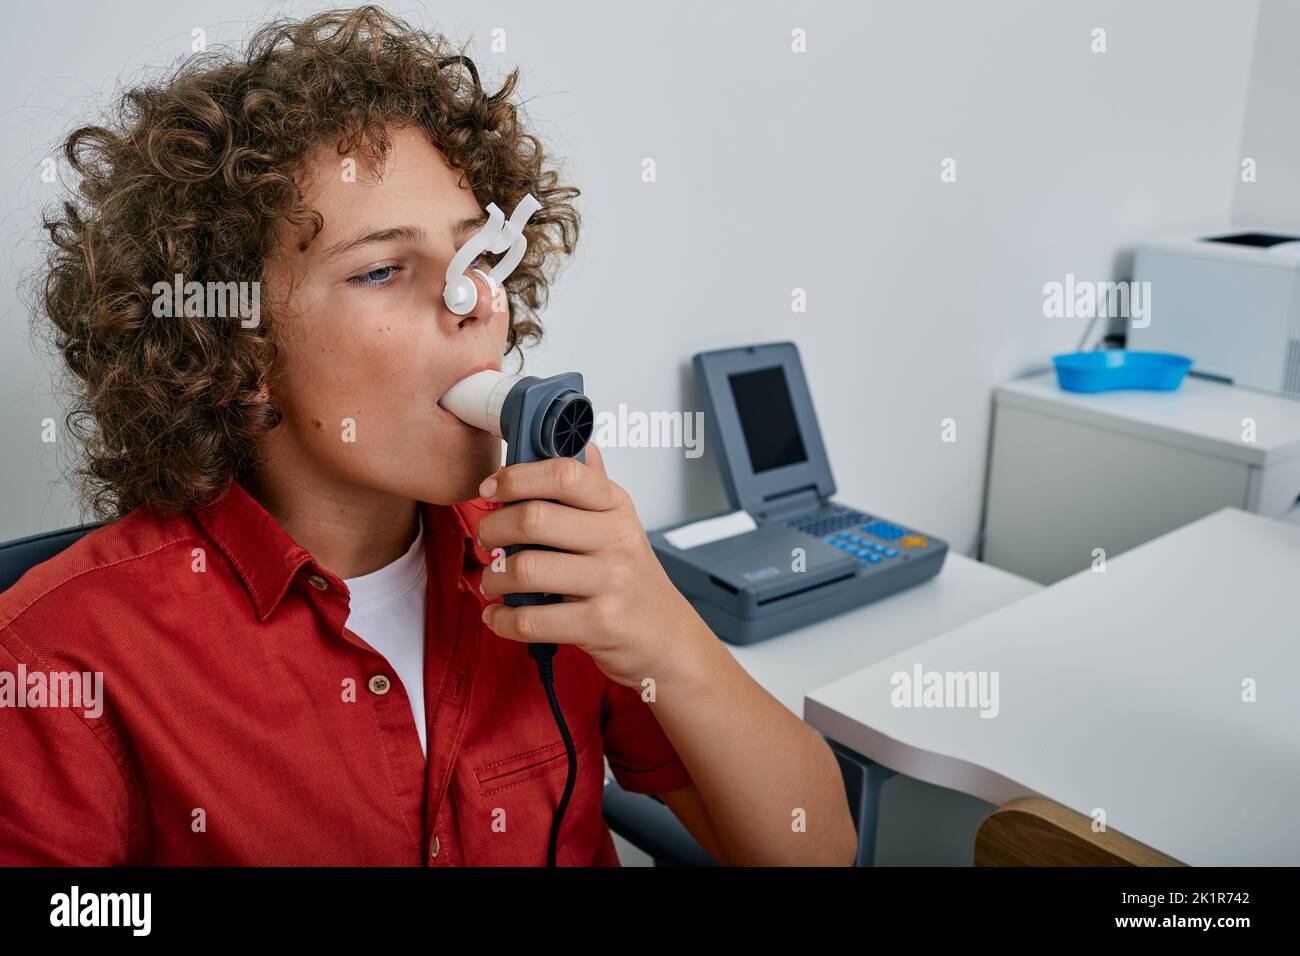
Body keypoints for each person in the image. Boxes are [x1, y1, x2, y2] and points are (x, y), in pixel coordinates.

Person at [0, 5, 856, 866]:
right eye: (381, 270)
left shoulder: (555, 564)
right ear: (238, 347)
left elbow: (816, 851)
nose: (475, 304)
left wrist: (666, 630)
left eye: (479, 257)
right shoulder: (63, 656)